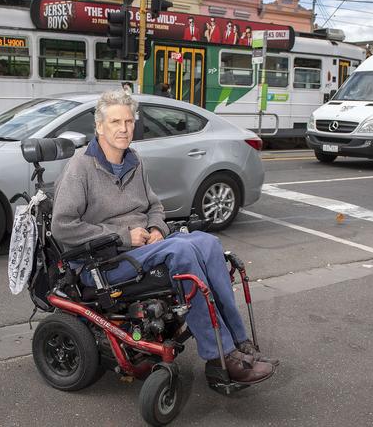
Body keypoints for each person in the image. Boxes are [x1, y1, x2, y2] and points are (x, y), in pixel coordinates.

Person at [51, 90, 277, 387]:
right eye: (116, 121)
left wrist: (158, 229)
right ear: (99, 126)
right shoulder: (80, 168)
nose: (124, 128)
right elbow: (62, 226)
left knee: (207, 243)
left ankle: (238, 342)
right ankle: (219, 356)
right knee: (182, 251)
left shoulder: (134, 160)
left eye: (129, 121)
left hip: (143, 249)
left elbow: (155, 207)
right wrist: (123, 235)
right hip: (103, 261)